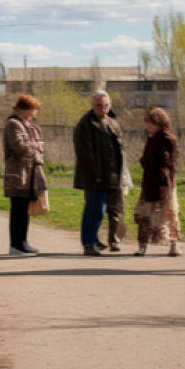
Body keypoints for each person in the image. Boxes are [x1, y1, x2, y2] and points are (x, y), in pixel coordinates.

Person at [73, 91, 124, 256]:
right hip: (94, 175)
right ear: (92, 105)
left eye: (106, 105)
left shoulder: (112, 122)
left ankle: (94, 239)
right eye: (99, 105)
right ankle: (88, 243)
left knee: (110, 210)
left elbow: (119, 149)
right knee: (95, 209)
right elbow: (84, 153)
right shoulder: (85, 124)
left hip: (112, 174)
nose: (103, 109)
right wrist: (95, 174)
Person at [133, 108, 181, 257]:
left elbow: (168, 160)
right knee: (145, 213)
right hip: (149, 181)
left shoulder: (167, 138)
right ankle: (142, 245)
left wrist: (159, 171)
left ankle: (174, 245)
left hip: (163, 182)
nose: (147, 125)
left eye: (149, 122)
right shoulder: (152, 137)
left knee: (168, 213)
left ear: (157, 122)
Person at [3, 94, 47, 256]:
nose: (34, 114)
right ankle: (16, 244)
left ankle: (23, 242)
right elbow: (20, 147)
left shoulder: (28, 126)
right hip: (18, 174)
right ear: (24, 110)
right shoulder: (13, 124)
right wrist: (35, 149)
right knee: (18, 210)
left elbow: (39, 146)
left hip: (30, 174)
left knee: (24, 210)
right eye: (32, 110)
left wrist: (34, 148)